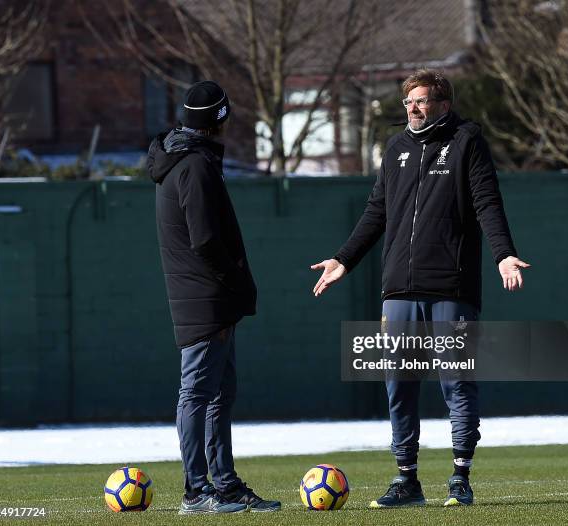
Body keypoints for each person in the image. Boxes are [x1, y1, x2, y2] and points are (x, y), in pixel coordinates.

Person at [311, 69, 530, 507]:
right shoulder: (395, 149)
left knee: (456, 382)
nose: (412, 108)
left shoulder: (467, 141)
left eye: (422, 100)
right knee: (399, 383)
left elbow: (488, 202)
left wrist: (503, 253)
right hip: (399, 288)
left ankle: (460, 477)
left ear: (443, 104)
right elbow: (376, 213)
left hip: (451, 285)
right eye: (408, 101)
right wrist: (344, 259)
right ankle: (406, 479)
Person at [147, 80, 280, 514]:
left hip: (207, 296)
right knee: (197, 393)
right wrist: (235, 284)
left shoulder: (188, 159)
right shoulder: (194, 166)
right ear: (217, 121)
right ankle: (196, 491)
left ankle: (223, 484)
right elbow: (205, 241)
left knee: (219, 394)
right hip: (206, 299)